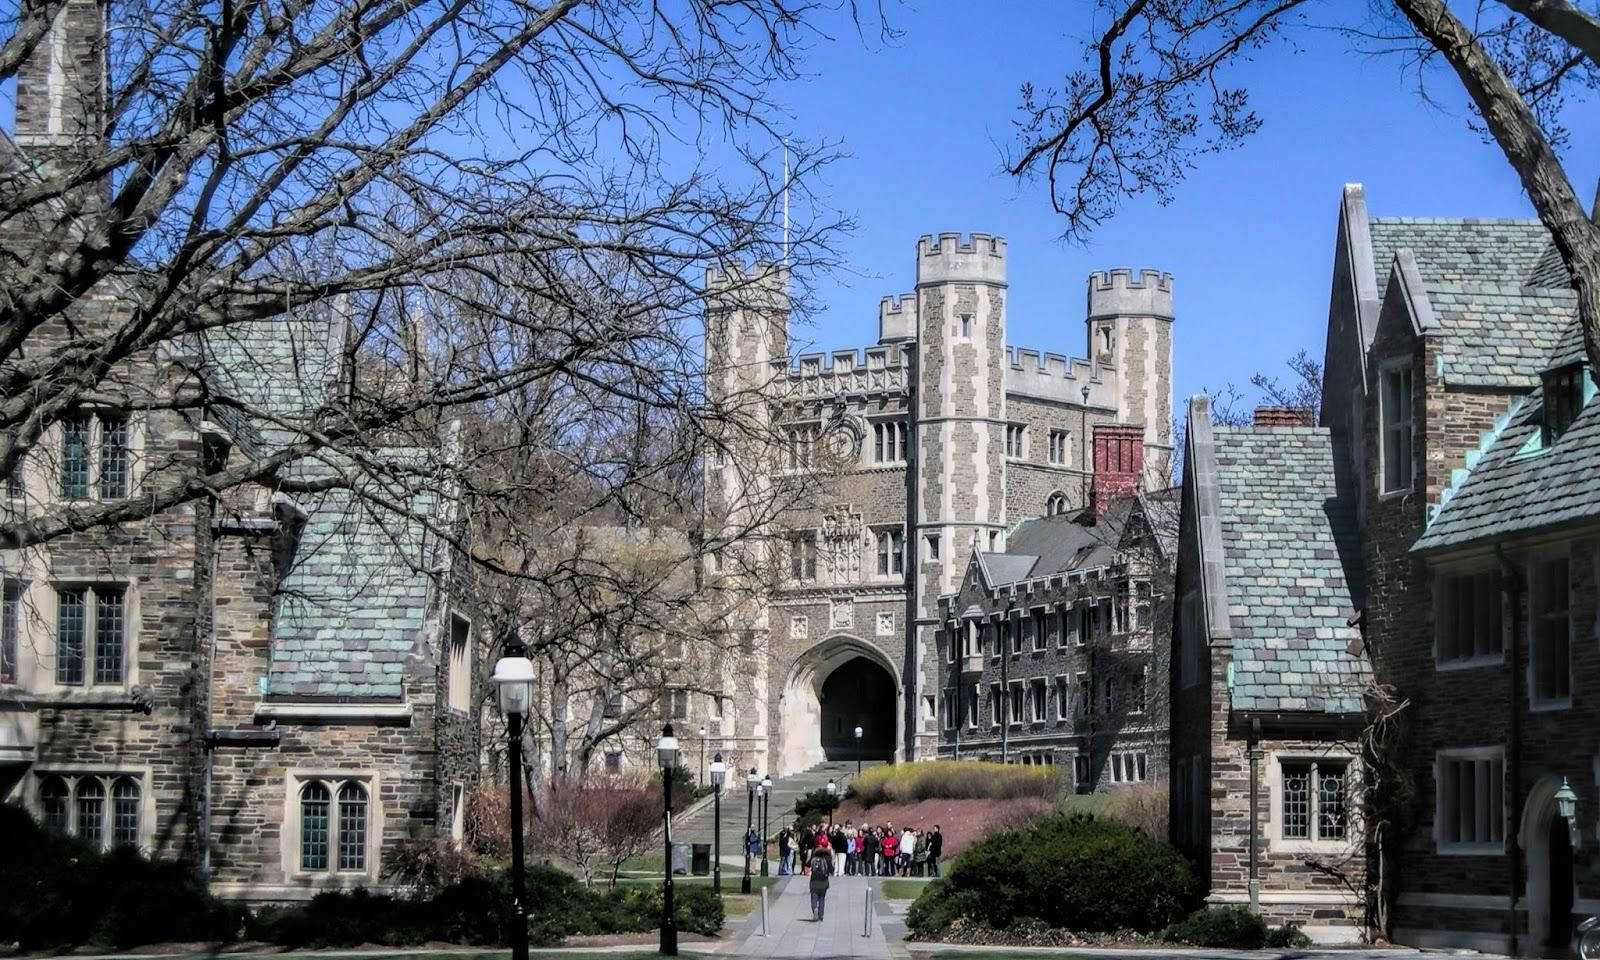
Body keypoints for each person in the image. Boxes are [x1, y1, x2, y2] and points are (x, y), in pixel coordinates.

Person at [808, 834, 834, 921]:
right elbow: (831, 869)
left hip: (814, 880)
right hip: (824, 881)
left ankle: (815, 908)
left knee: (814, 896)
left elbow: (808, 864)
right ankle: (821, 915)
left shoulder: (814, 856)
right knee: (822, 898)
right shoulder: (827, 857)